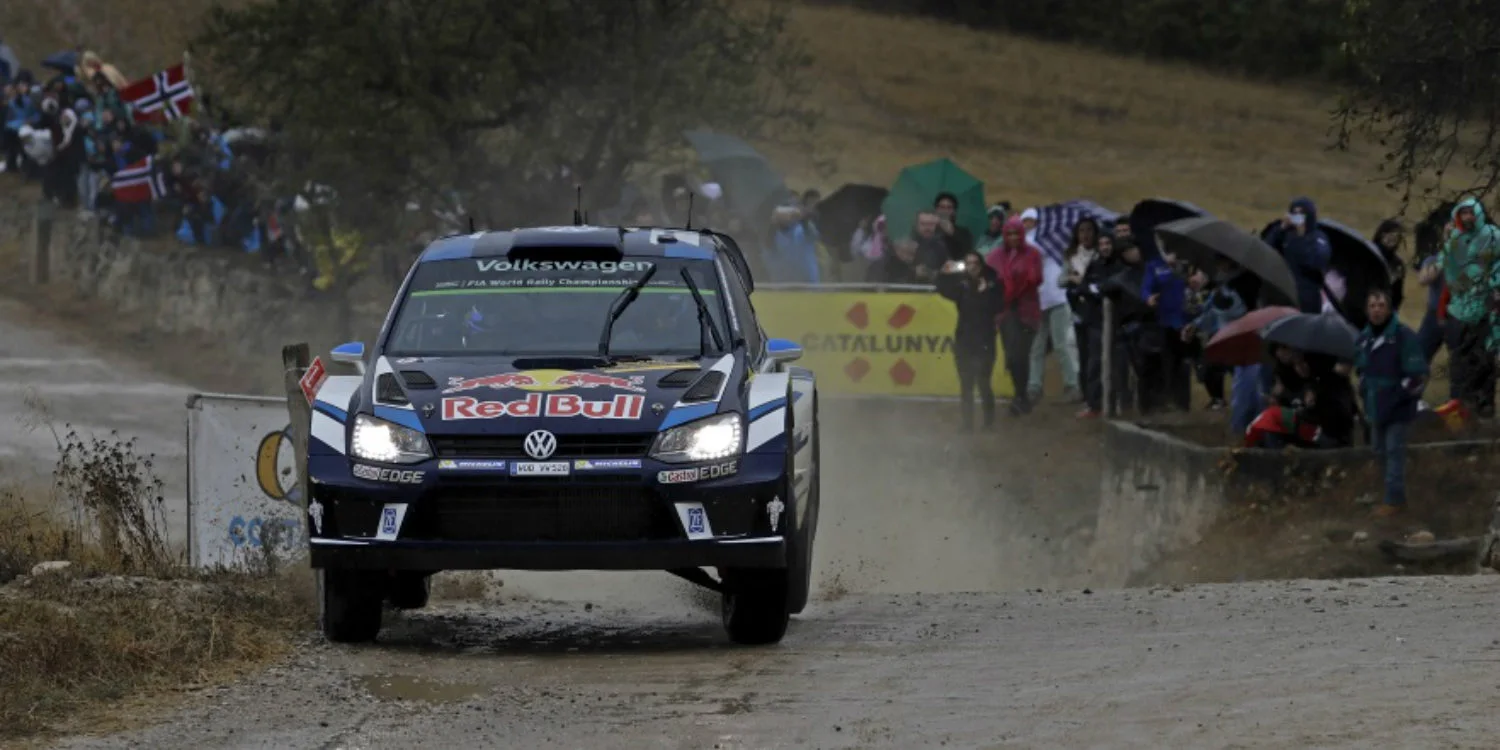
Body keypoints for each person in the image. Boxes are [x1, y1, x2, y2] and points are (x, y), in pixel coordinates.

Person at [1347, 288, 1428, 516]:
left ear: (1389, 309)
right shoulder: (1364, 338)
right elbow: (1361, 369)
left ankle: (1395, 500)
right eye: (1372, 306)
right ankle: (1387, 493)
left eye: (1381, 305)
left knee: (1394, 451)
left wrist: (1399, 396)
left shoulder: (1403, 336)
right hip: (1375, 407)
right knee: (1379, 451)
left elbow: (1418, 376)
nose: (1376, 310)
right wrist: (1364, 388)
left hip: (1398, 407)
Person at [1433, 196, 1500, 417]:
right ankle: (1458, 409)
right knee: (1459, 363)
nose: (1468, 217)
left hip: (1485, 309)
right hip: (1459, 311)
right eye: (1463, 213)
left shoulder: (1493, 236)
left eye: (1471, 212)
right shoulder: (1455, 240)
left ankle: (1484, 409)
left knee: (1485, 361)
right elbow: (1444, 269)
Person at [937, 253, 1004, 430]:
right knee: (966, 385)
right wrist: (944, 273)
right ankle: (967, 424)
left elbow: (998, 305)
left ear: (981, 265)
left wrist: (985, 291)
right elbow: (943, 289)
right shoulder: (962, 286)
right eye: (968, 263)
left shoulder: (993, 285)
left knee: (984, 382)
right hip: (964, 340)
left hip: (985, 340)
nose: (971, 267)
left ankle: (988, 423)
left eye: (975, 263)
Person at [985, 216, 1043, 416]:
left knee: (1020, 354)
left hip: (1026, 310)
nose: (1013, 237)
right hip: (1005, 311)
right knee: (1011, 354)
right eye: (1009, 234)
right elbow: (989, 278)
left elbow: (1036, 278)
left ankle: (1021, 395)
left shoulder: (1032, 254)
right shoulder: (995, 256)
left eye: (1016, 233)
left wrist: (1017, 288)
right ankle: (1020, 393)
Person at [1026, 217, 1084, 405]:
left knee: (1061, 345)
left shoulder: (1060, 244)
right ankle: (1034, 386)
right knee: (1037, 346)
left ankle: (1072, 384)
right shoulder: (1030, 240)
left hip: (1058, 299)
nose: (1028, 223)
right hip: (1038, 300)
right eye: (1025, 220)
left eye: (1031, 220)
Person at [1074, 234, 1126, 418]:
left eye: (1108, 243)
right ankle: (1094, 404)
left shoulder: (1120, 266)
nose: (1105, 247)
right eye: (1101, 244)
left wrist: (1098, 289)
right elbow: (1083, 288)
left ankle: (1120, 403)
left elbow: (1118, 288)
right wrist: (1095, 290)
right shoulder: (1094, 266)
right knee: (1094, 363)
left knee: (1119, 365)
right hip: (1096, 321)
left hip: (1118, 322)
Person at [1140, 248, 1191, 412]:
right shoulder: (1154, 265)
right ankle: (1169, 398)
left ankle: (1183, 403)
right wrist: (1148, 298)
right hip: (1165, 321)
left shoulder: (1188, 262)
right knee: (1168, 361)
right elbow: (1145, 288)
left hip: (1187, 320)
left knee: (1185, 363)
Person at [1264, 197, 1332, 313]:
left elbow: (1317, 261)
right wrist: (1280, 229)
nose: (1297, 217)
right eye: (1294, 213)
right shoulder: (1285, 234)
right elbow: (1266, 248)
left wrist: (1301, 237)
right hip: (1284, 291)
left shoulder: (1318, 238)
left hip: (1307, 295)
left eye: (1301, 214)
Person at [1065, 217, 1102, 405]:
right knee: (1079, 350)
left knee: (1096, 354)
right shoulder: (1072, 257)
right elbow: (1060, 280)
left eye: (1089, 230)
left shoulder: (1099, 255)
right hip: (1078, 309)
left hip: (1097, 310)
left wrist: (1082, 282)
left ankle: (1097, 395)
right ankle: (1085, 392)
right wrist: (1070, 278)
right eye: (1081, 231)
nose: (1085, 234)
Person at [1373, 218, 1407, 313]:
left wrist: (1392, 311)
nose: (1393, 238)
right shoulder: (1370, 254)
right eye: (1390, 234)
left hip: (1385, 311)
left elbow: (1397, 294)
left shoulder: (1397, 265)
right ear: (1382, 234)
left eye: (1397, 236)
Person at [866, 238, 931, 284]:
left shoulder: (913, 264)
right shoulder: (883, 266)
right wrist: (913, 274)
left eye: (913, 254)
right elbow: (893, 285)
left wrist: (922, 277)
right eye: (909, 253)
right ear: (898, 250)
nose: (911, 258)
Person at [933, 192, 975, 258]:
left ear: (954, 211)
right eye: (942, 207)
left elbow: (967, 254)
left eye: (949, 207)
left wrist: (952, 233)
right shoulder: (929, 229)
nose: (945, 211)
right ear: (936, 210)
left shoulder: (964, 233)